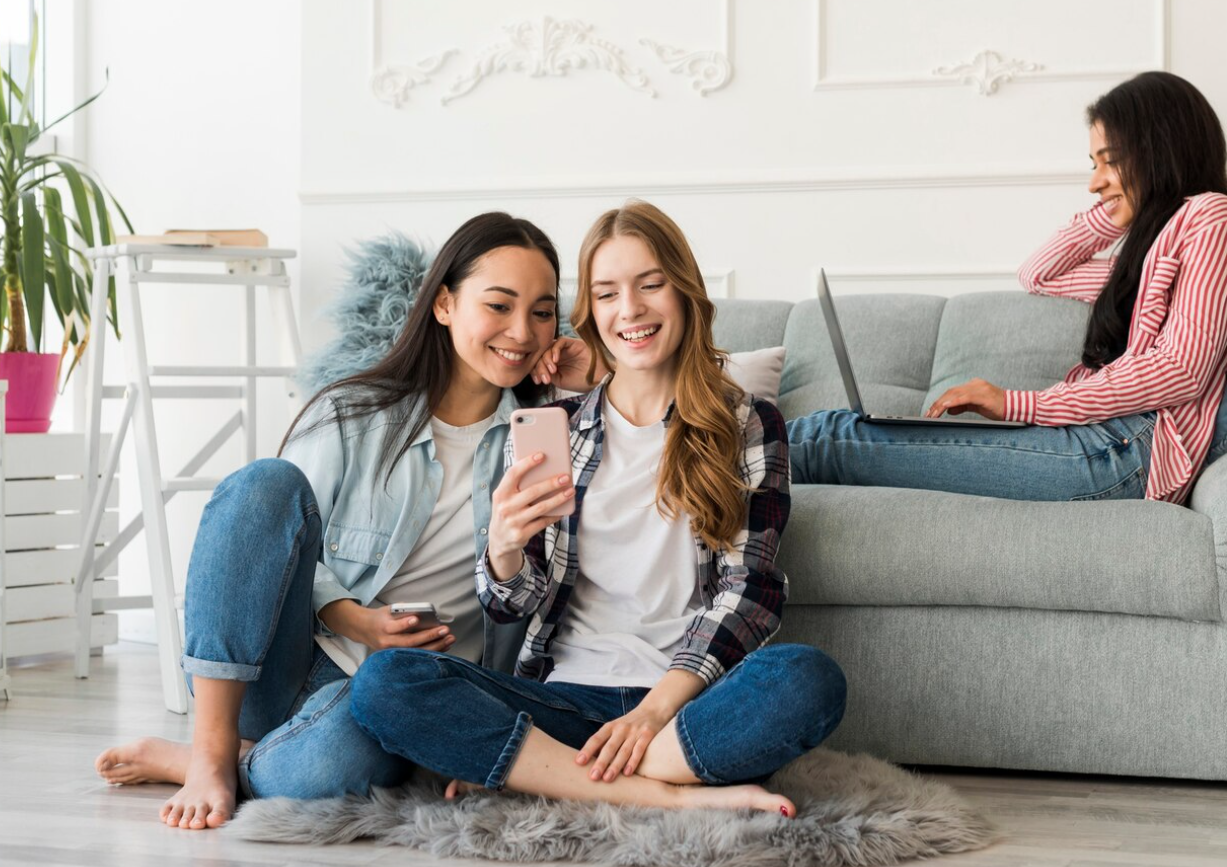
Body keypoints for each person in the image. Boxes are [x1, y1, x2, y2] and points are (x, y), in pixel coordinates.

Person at [348, 201, 847, 816]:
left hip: (682, 707)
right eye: (607, 293)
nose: (630, 309)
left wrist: (653, 712)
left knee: (807, 679)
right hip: (561, 705)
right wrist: (502, 549)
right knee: (386, 681)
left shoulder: (746, 423)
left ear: (686, 294)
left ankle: (544, 774)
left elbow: (753, 593)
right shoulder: (555, 428)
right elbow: (511, 605)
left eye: (650, 285)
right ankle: (661, 792)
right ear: (590, 313)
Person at [94, 213, 588, 828]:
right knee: (262, 484)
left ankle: (212, 761)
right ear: (443, 305)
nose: (523, 331)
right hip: (293, 663)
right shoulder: (354, 413)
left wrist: (595, 380)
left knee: (342, 761)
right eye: (499, 305)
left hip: (399, 693)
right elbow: (275, 539)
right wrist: (353, 618)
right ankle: (212, 751)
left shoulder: (558, 436)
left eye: (543, 313)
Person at [787, 71, 1227, 506]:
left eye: (1109, 163)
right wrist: (1119, 205)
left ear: (1159, 150)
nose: (1094, 182)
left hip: (1126, 449)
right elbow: (1040, 273)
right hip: (1106, 438)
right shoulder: (1156, 249)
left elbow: (1180, 371)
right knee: (827, 436)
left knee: (831, 441)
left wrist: (1019, 403)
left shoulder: (1214, 221)